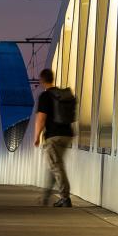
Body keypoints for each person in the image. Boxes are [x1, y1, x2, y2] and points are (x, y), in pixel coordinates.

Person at [33, 68, 75, 207]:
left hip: (53, 136)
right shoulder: (60, 95)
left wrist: (37, 136)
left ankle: (65, 198)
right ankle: (45, 197)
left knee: (56, 166)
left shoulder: (45, 96)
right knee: (55, 165)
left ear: (42, 80)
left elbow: (41, 118)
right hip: (67, 134)